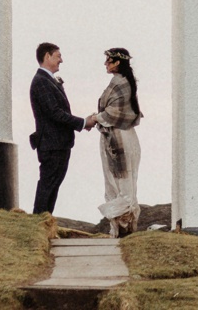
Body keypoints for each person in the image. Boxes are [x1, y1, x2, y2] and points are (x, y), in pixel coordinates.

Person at [88, 47, 143, 237]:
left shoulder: (122, 83)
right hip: (114, 136)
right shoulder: (121, 82)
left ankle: (124, 225)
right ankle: (119, 227)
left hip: (120, 137)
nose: (105, 64)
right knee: (115, 181)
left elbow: (114, 112)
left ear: (117, 62)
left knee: (123, 182)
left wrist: (94, 118)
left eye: (108, 61)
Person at [28, 41, 87, 216]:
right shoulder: (41, 81)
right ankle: (39, 220)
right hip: (51, 144)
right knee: (48, 185)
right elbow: (54, 112)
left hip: (58, 143)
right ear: (47, 56)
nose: (61, 60)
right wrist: (83, 122)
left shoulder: (47, 80)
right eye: (58, 56)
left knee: (53, 186)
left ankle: (45, 220)